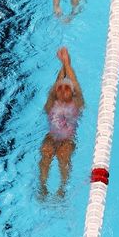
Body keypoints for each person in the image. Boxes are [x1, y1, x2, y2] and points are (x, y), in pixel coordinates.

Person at [38, 46, 84, 199]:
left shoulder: (77, 103)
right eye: (60, 88)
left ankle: (62, 189)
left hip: (67, 141)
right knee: (46, 155)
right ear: (55, 91)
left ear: (73, 92)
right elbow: (58, 82)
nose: (63, 89)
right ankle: (43, 187)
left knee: (63, 160)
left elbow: (74, 83)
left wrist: (67, 64)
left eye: (67, 88)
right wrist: (63, 65)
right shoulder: (51, 104)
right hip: (50, 138)